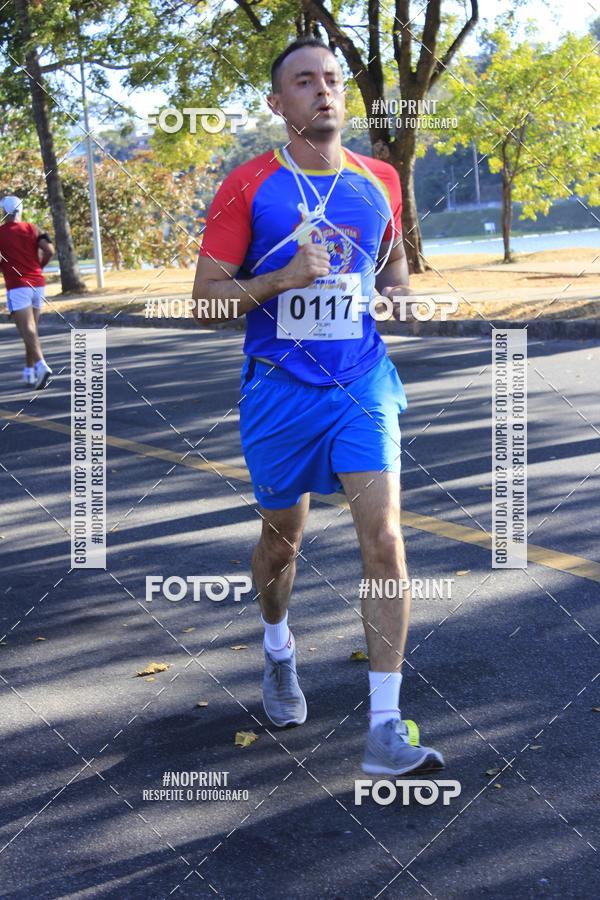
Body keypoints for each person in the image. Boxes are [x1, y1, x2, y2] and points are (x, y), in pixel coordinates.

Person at [192, 37, 444, 775]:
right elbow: (206, 301)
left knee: (386, 542)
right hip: (278, 388)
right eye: (304, 82)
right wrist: (280, 277)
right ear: (279, 104)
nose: (324, 92)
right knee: (283, 543)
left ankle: (386, 731)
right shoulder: (248, 187)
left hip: (361, 382)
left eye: (332, 80)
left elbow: (392, 260)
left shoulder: (382, 181)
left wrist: (397, 298)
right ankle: (277, 649)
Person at [0, 195, 54, 389]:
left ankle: (41, 365)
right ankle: (29, 372)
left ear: (3, 213)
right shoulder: (33, 228)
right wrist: (39, 266)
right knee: (31, 332)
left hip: (17, 286)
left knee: (27, 331)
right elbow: (49, 250)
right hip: (38, 284)